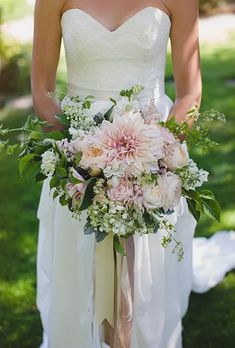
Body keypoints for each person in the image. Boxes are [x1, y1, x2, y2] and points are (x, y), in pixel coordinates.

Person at [31, 0, 201, 347]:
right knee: (79, 267)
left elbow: (190, 94)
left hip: (153, 150)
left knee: (145, 273)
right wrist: (79, 157)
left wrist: (156, 154)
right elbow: (43, 92)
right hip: (79, 152)